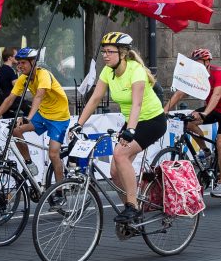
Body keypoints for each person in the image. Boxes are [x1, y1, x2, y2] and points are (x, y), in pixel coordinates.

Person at [71, 32, 166, 224]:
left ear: (122, 53)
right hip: (132, 120)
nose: (105, 55)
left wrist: (130, 130)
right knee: (114, 172)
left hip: (152, 120)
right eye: (103, 51)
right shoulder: (108, 71)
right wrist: (78, 124)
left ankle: (133, 207)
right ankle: (130, 211)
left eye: (109, 51)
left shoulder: (136, 70)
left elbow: (137, 104)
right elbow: (95, 98)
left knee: (120, 155)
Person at [164, 48, 221, 197]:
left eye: (198, 62)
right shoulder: (195, 75)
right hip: (213, 108)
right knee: (189, 122)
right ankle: (206, 151)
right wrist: (164, 111)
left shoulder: (219, 73)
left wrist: (205, 113)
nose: (196, 66)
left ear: (207, 62)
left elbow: (217, 94)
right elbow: (180, 92)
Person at [0, 47, 71, 184]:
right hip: (42, 114)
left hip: (58, 117)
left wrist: (28, 117)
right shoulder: (23, 78)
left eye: (23, 63)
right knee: (16, 130)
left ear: (33, 62)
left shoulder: (43, 75)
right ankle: (29, 163)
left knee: (53, 154)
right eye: (18, 63)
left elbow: (39, 95)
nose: (19, 66)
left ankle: (60, 191)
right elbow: (10, 99)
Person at [0, 47, 19, 117]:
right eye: (16, 56)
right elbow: (17, 86)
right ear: (10, 58)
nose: (18, 58)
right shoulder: (10, 70)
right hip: (11, 101)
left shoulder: (0, 69)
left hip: (2, 100)